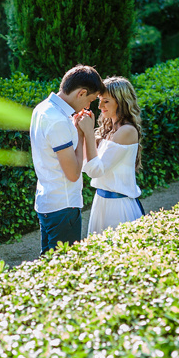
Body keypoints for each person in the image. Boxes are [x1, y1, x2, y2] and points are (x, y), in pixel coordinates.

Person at [30, 64, 106, 255]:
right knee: (64, 269)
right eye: (90, 100)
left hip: (47, 201)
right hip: (63, 206)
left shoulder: (42, 109)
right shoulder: (58, 120)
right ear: (81, 93)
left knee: (48, 267)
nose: (88, 106)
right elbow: (72, 174)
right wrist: (81, 135)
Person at [76, 76, 144, 236]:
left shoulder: (126, 132)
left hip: (118, 208)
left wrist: (89, 133)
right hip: (100, 203)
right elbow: (87, 165)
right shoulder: (108, 130)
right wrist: (83, 132)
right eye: (99, 100)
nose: (99, 106)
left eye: (105, 101)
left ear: (121, 102)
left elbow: (96, 171)